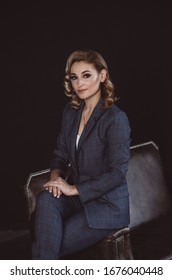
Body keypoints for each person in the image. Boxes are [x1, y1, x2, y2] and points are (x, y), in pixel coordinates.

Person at [32, 49, 131, 259]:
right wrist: (56, 182)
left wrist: (73, 188)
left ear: (102, 76)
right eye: (74, 77)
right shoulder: (70, 112)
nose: (79, 83)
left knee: (48, 245)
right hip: (77, 198)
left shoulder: (115, 118)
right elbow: (60, 155)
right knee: (46, 198)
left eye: (86, 75)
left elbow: (117, 173)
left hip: (107, 205)